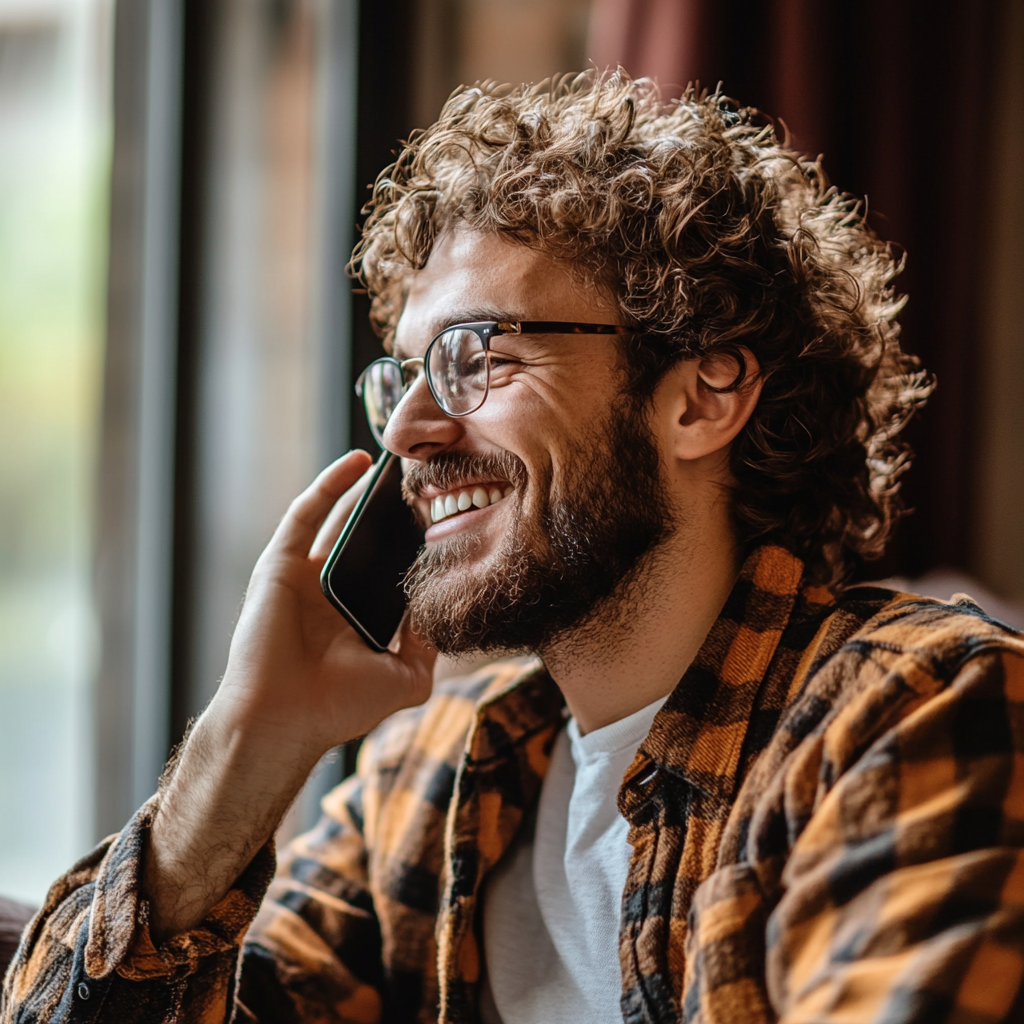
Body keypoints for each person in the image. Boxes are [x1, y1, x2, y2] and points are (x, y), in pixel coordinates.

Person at [5, 71, 1024, 1024]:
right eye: (399, 377)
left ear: (702, 398)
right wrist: (245, 744)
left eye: (473, 355)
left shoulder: (919, 710)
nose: (405, 430)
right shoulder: (431, 778)